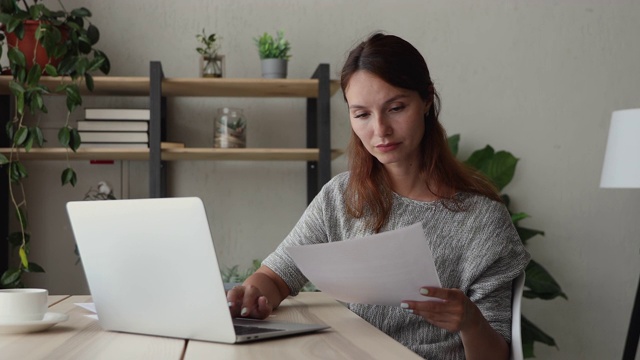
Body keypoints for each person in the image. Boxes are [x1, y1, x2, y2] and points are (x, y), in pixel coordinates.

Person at [226, 32, 530, 360]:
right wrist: (253, 294)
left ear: (427, 100)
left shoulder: (482, 220)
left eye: (396, 107)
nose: (380, 129)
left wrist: (470, 322)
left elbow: (497, 353)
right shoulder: (341, 197)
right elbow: (279, 274)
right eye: (362, 115)